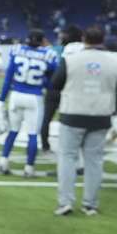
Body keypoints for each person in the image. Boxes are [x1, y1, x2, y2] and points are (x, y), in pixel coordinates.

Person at [50, 26, 117, 216]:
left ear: (84, 39)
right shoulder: (115, 61)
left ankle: (65, 202)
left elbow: (55, 83)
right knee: (94, 161)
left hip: (73, 112)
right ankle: (90, 203)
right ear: (103, 39)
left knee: (67, 158)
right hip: (101, 114)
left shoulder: (70, 59)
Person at [0, 30, 58, 178]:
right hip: (34, 97)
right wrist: (44, 82)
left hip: (16, 95)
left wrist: (1, 100)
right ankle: (29, 168)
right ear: (42, 40)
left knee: (13, 131)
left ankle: (3, 162)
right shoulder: (49, 55)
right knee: (32, 135)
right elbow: (53, 82)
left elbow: (7, 79)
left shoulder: (17, 50)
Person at [40, 25, 83, 153]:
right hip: (70, 89)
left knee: (46, 118)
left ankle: (45, 145)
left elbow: (45, 69)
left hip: (53, 88)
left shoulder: (53, 50)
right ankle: (71, 147)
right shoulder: (81, 50)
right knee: (70, 121)